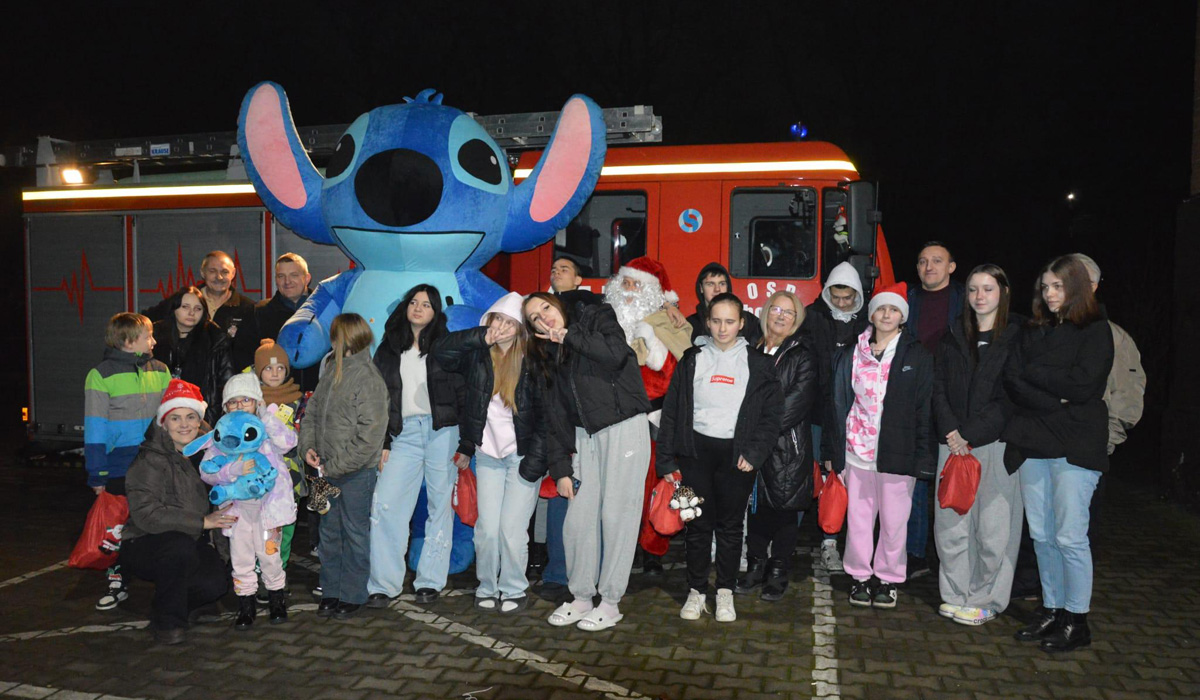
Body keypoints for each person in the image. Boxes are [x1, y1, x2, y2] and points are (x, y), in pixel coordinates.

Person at [521, 291, 651, 631]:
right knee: (578, 520)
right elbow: (555, 417)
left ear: (558, 305)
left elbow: (615, 355)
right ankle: (581, 597)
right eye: (535, 318)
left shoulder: (596, 317)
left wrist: (569, 336)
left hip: (623, 427)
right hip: (584, 439)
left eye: (545, 307)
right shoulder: (547, 355)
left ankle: (610, 602)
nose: (544, 317)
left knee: (617, 516)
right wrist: (561, 469)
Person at [1004, 256, 1113, 653]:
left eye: (1058, 286)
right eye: (1045, 287)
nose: (1050, 294)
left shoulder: (1096, 329)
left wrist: (1039, 376)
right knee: (1042, 534)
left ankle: (1076, 619)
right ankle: (1052, 608)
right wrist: (1056, 396)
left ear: (1077, 288)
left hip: (1075, 446)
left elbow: (1084, 386)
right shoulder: (1035, 329)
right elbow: (1014, 378)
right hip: (1035, 440)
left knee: (1070, 536)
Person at [657, 292, 783, 622]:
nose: (722, 328)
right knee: (696, 524)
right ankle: (696, 591)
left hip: (736, 459)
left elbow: (771, 416)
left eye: (729, 321)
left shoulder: (759, 364)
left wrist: (754, 453)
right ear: (707, 322)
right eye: (716, 321)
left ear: (742, 323)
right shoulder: (691, 359)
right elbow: (671, 411)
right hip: (693, 456)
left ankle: (725, 591)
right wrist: (667, 459)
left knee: (730, 527)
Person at [434, 292, 545, 613]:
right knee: (486, 529)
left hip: (523, 456)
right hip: (487, 456)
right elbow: (441, 353)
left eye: (510, 323)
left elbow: (546, 415)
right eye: (498, 320)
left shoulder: (533, 359)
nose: (502, 327)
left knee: (511, 530)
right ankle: (487, 586)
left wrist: (536, 460)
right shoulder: (478, 355)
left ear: (520, 328)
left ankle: (514, 588)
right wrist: (479, 337)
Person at [829, 282, 935, 610]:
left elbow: (924, 408)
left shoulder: (917, 355)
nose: (887, 315)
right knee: (859, 521)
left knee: (894, 522)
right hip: (857, 452)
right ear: (871, 314)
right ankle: (860, 576)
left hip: (898, 454)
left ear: (903, 316)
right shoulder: (852, 353)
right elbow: (838, 403)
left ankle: (888, 578)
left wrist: (922, 456)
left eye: (894, 310)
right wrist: (834, 452)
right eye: (881, 309)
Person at [931, 264, 1024, 626]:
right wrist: (951, 431)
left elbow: (1011, 396)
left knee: (993, 528)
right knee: (951, 525)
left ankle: (986, 598)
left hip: (995, 444)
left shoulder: (1018, 337)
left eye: (988, 288)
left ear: (1003, 292)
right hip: (952, 444)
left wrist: (970, 433)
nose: (979, 296)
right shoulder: (953, 334)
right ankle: (955, 594)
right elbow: (938, 387)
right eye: (972, 289)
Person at [367, 284, 465, 607]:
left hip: (442, 432)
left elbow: (463, 391)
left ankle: (430, 581)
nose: (419, 308)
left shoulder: (446, 345)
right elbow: (379, 400)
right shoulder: (388, 348)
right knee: (385, 505)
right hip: (403, 433)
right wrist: (383, 440)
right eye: (414, 302)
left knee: (440, 506)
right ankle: (384, 584)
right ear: (406, 307)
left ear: (436, 312)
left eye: (426, 304)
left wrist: (467, 442)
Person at [119, 379, 236, 645]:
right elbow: (146, 514)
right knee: (179, 549)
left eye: (190, 417)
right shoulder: (150, 459)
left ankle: (170, 602)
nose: (184, 425)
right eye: (175, 418)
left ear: (199, 420)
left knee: (215, 585)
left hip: (194, 539)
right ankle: (168, 622)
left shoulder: (210, 454)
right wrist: (201, 522)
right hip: (147, 540)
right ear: (164, 422)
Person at [602, 257, 694, 576]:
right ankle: (621, 549)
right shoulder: (606, 319)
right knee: (620, 490)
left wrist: (651, 340)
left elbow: (673, 372)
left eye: (637, 285)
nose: (629, 291)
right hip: (611, 420)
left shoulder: (667, 324)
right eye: (625, 283)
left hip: (653, 419)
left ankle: (653, 548)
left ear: (652, 292)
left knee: (653, 485)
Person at [299, 313, 389, 620]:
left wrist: (335, 466)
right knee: (329, 534)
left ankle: (352, 594)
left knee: (354, 534)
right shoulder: (331, 369)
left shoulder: (368, 378)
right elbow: (312, 413)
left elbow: (370, 436)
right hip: (327, 469)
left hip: (354, 474)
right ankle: (332, 591)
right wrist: (308, 447)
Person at [84, 312, 172, 611]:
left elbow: (170, 415)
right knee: (118, 526)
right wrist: (97, 473)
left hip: (156, 462)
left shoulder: (160, 369)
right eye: (148, 336)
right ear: (127, 340)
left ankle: (162, 577)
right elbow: (95, 427)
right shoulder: (101, 375)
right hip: (119, 464)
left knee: (155, 520)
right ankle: (117, 579)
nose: (154, 341)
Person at [737, 291, 818, 602]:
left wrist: (758, 431)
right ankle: (756, 565)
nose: (781, 316)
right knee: (756, 508)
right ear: (766, 312)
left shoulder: (802, 354)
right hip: (754, 444)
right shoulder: (751, 348)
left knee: (784, 509)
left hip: (787, 448)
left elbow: (796, 403)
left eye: (789, 312)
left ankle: (778, 570)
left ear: (796, 319)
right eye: (776, 310)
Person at [200, 373, 297, 629]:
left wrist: (267, 418)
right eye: (233, 402)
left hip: (268, 509)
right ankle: (246, 604)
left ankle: (277, 599)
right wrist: (230, 472)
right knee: (241, 558)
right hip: (237, 511)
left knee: (270, 557)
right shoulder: (223, 436)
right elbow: (207, 471)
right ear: (225, 407)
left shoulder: (266, 430)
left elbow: (289, 442)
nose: (240, 406)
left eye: (246, 400)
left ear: (257, 402)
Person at [904, 242, 964, 579]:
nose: (929, 267)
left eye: (937, 261)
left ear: (951, 267)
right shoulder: (907, 299)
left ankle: (953, 556)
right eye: (923, 261)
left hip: (952, 401)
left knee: (954, 477)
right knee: (914, 480)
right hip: (915, 398)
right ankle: (914, 554)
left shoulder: (965, 299)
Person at [807, 261, 870, 573]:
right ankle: (793, 542)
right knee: (815, 476)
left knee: (845, 480)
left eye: (848, 298)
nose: (842, 304)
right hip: (817, 412)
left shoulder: (869, 321)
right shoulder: (812, 317)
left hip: (856, 415)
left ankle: (833, 541)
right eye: (837, 297)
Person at [1069, 254, 1146, 456]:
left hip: (1084, 448)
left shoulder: (1114, 337)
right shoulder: (1041, 331)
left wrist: (1105, 440)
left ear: (1093, 286)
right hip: (1037, 448)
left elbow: (1127, 394)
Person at [144, 250, 259, 372]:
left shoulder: (248, 308)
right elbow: (145, 321)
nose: (219, 277)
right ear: (202, 273)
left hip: (229, 378)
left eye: (224, 272)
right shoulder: (182, 299)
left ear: (233, 273)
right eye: (212, 271)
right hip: (185, 376)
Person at [255, 338, 308, 566]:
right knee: (259, 526)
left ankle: (279, 570)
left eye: (280, 368)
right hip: (258, 474)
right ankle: (258, 569)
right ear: (259, 371)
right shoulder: (251, 400)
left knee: (285, 526)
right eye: (268, 368)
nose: (275, 373)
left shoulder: (299, 400)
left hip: (291, 474)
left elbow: (305, 433)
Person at [151, 286, 234, 426]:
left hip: (204, 417)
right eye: (185, 307)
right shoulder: (155, 336)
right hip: (160, 414)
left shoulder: (215, 339)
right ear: (174, 308)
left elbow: (226, 382)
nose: (191, 313)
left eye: (198, 309)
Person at [255, 253, 318, 391]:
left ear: (307, 278)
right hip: (276, 398)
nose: (287, 281)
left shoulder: (324, 311)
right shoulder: (260, 313)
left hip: (319, 394)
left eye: (294, 275)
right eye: (281, 276)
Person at [685, 262, 763, 346]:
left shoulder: (749, 321)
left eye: (722, 284)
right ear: (701, 288)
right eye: (710, 284)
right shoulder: (690, 324)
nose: (717, 289)